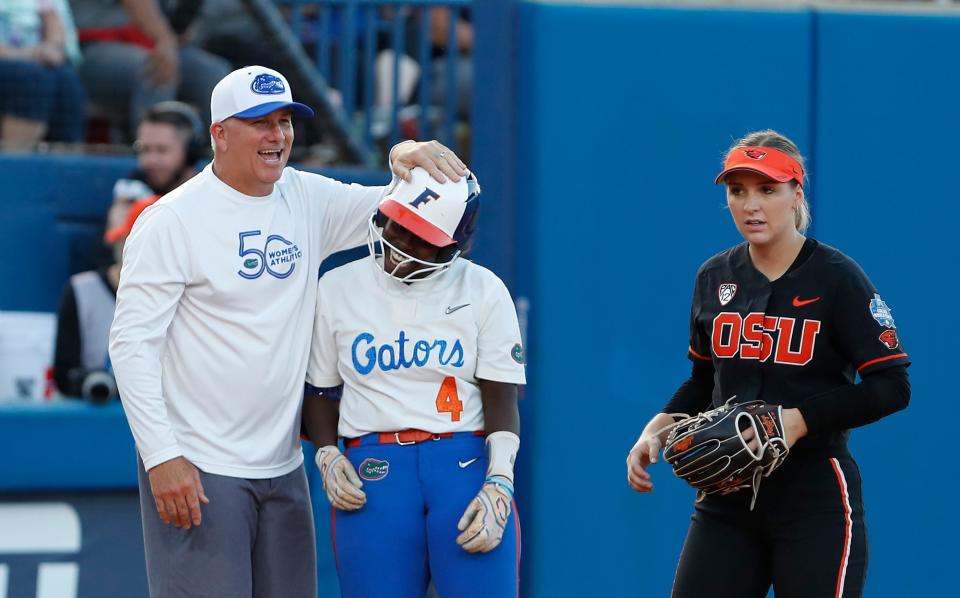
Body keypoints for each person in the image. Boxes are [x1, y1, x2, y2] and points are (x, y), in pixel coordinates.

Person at [108, 65, 466, 598]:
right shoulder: (170, 221)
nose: (277, 136)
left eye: (285, 121)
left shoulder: (305, 196)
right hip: (200, 465)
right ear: (219, 134)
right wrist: (161, 456)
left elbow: (404, 210)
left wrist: (402, 161)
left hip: (283, 466)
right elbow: (131, 346)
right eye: (259, 123)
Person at [625, 129, 911, 597]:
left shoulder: (837, 279)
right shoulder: (715, 275)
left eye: (767, 189)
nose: (751, 205)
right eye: (738, 191)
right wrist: (654, 431)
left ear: (796, 193)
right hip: (726, 500)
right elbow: (704, 380)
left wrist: (798, 421)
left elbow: (892, 386)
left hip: (814, 496)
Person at [302, 166, 524, 597]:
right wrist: (327, 453)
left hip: (465, 459)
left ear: (455, 244)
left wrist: (500, 479)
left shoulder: (483, 288)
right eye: (397, 226)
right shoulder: (338, 285)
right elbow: (320, 390)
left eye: (420, 237)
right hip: (375, 465)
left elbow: (501, 397)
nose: (402, 245)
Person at [70, 0, 230, 138]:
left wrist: (176, 31)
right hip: (88, 46)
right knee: (154, 69)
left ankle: (224, 162)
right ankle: (153, 158)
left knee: (213, 72)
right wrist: (165, 40)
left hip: (148, 44)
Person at [53, 196, 153, 401]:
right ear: (119, 242)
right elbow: (64, 376)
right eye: (133, 241)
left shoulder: (189, 297)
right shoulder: (82, 289)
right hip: (95, 417)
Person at [0, 0, 86, 147]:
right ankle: (14, 162)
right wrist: (27, 54)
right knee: (29, 77)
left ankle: (62, 167)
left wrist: (53, 49)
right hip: (12, 61)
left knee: (67, 82)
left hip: (33, 61)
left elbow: (56, 30)